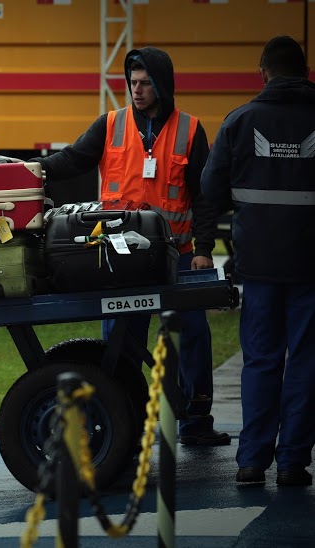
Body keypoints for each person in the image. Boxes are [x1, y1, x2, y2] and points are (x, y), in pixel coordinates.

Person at [30, 47, 230, 446]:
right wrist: (33, 170)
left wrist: (204, 248)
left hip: (178, 254)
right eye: (132, 83)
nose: (136, 91)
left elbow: (204, 196)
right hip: (120, 256)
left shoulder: (191, 130)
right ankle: (126, 417)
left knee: (193, 332)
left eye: (145, 84)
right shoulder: (110, 124)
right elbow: (72, 159)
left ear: (163, 86)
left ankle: (195, 420)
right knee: (121, 338)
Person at [200, 35, 315, 486]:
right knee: (306, 360)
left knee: (262, 360)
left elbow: (210, 191)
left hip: (260, 266)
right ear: (305, 73)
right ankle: (292, 464)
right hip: (310, 267)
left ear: (262, 72)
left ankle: (251, 462)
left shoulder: (240, 121)